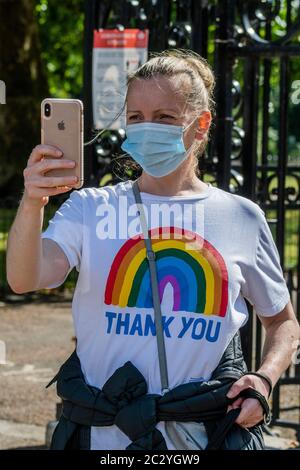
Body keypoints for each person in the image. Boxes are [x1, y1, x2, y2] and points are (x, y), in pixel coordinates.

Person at [6, 49, 300, 450]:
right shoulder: (90, 207)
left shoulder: (241, 217)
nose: (147, 129)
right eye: (135, 118)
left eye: (164, 117)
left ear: (201, 125)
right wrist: (32, 202)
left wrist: (263, 380)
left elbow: (283, 322)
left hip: (202, 436)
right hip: (101, 437)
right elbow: (25, 279)